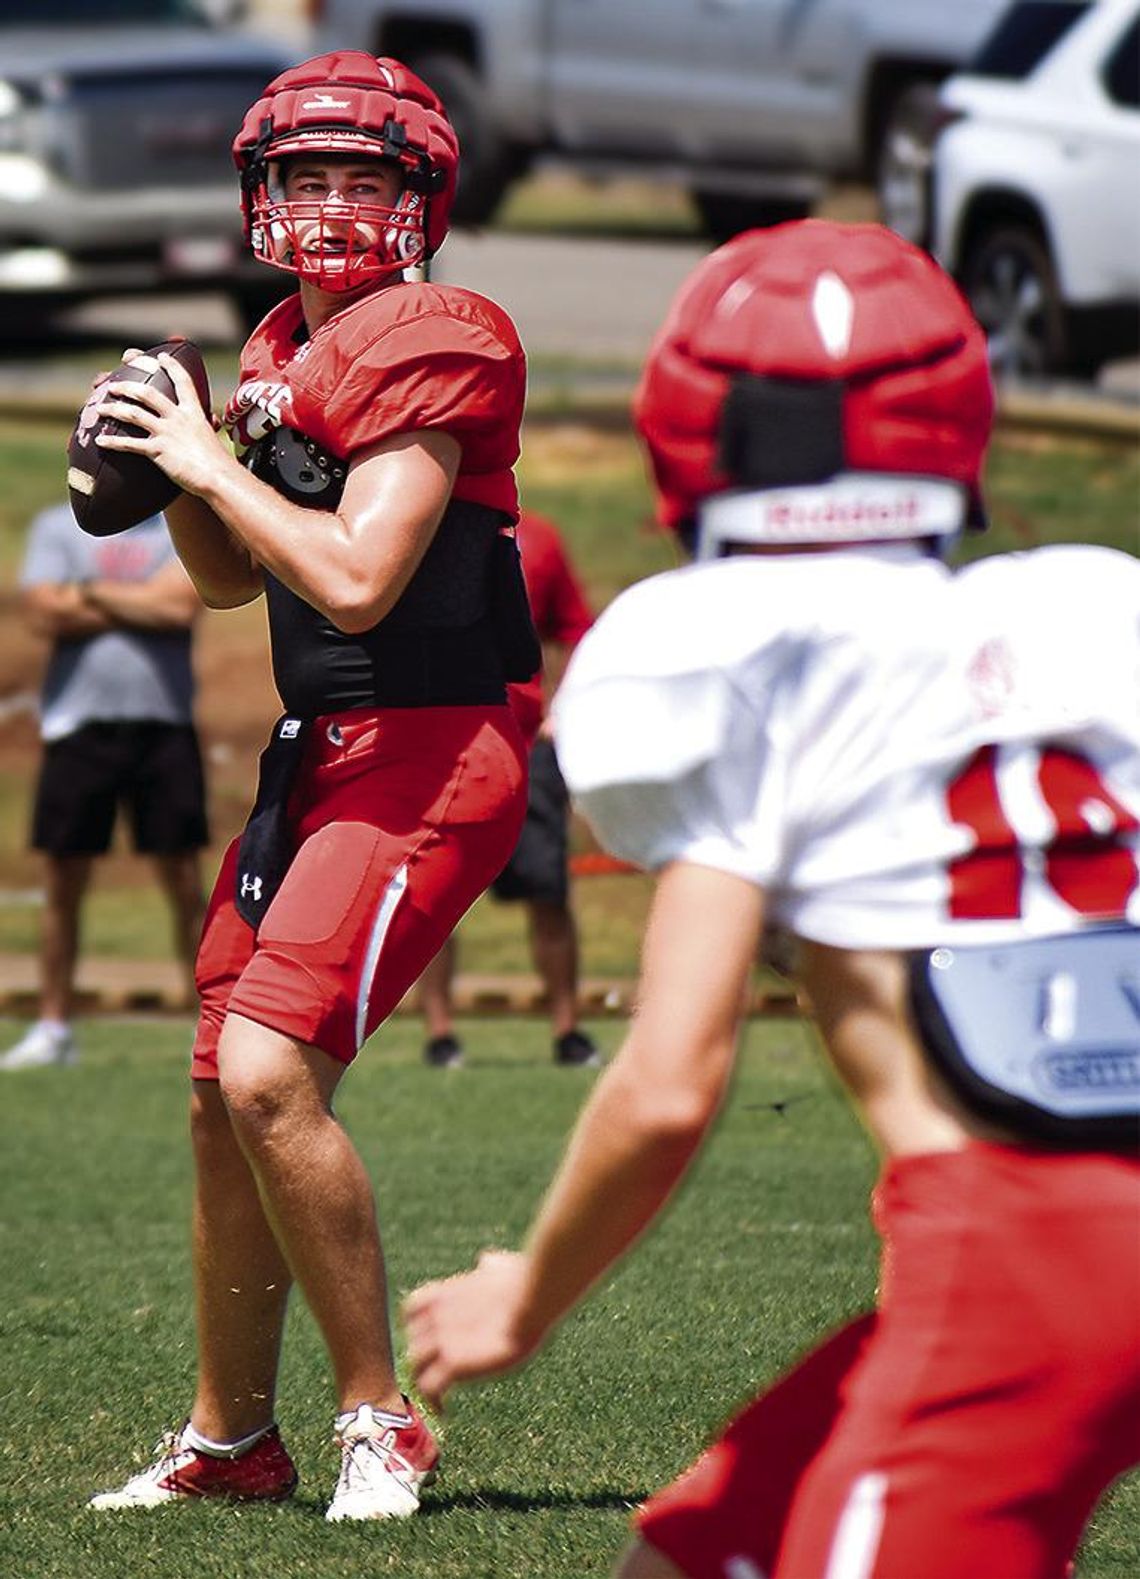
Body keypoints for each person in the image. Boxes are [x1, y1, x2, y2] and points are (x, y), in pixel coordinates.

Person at [404, 220, 1140, 1579]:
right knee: (691, 1557)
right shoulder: (1097, 607)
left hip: (1030, 1248)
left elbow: (672, 1077)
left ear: (693, 423)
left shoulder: (721, 653)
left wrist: (524, 1293)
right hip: (1071, 1240)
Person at [87, 51, 535, 1523]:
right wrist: (175, 466)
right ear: (256, 195)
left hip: (430, 751)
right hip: (323, 757)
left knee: (275, 1069)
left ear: (424, 201)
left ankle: (378, 1417)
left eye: (365, 175)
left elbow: (353, 578)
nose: (332, 204)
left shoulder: (439, 330)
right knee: (223, 1085)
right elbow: (230, 586)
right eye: (303, 175)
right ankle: (233, 1436)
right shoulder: (285, 339)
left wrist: (213, 463)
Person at [1, 505, 207, 1071]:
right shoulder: (53, 526)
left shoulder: (180, 527)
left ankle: (207, 1029)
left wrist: (87, 591)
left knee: (184, 878)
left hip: (165, 724)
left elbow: (180, 607)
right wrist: (139, 598)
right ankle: (53, 1026)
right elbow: (43, 612)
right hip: (77, 725)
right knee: (63, 880)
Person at [418, 506, 599, 1069]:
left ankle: (568, 1030)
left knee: (548, 890)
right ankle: (440, 1033)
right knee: (432, 897)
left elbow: (577, 630)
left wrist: (562, 711)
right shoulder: (417, 520)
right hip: (441, 740)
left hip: (524, 742)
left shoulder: (539, 538)